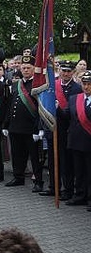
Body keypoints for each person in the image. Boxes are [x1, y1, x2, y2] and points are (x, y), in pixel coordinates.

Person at [4, 54, 43, 191]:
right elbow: (10, 105)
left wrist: (39, 129)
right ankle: (18, 177)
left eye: (28, 67)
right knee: (17, 154)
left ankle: (38, 181)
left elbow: (40, 108)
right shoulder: (16, 85)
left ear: (34, 69)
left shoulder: (38, 85)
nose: (25, 70)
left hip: (31, 128)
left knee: (35, 157)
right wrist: (6, 124)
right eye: (24, 67)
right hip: (15, 127)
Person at [44, 63, 83, 199]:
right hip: (52, 128)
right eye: (63, 71)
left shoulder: (78, 88)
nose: (65, 74)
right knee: (52, 160)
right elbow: (44, 107)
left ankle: (67, 190)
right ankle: (53, 187)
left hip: (67, 130)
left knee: (66, 162)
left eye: (68, 71)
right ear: (59, 71)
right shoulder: (52, 86)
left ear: (73, 72)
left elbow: (77, 112)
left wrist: (59, 109)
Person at [64, 71, 91, 209]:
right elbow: (66, 115)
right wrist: (55, 108)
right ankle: (80, 195)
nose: (86, 87)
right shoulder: (75, 98)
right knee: (79, 171)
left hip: (89, 140)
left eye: (89, 84)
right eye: (84, 84)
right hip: (76, 140)